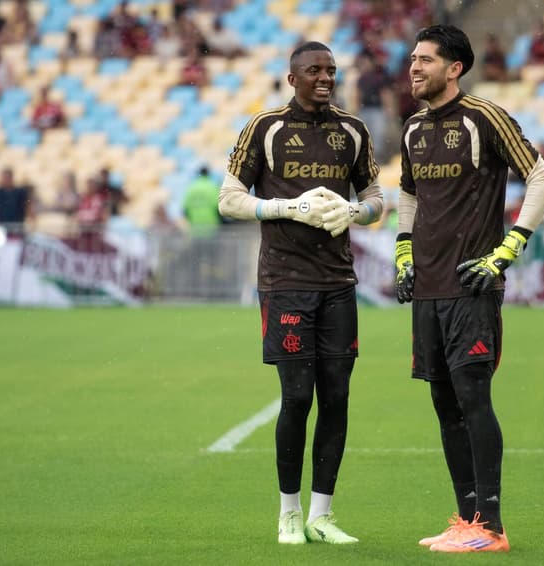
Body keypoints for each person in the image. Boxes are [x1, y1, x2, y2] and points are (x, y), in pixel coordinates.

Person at [394, 24, 544, 553]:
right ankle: (466, 522)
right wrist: (403, 253)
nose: (414, 67)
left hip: (471, 286)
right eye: (413, 59)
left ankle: (491, 526)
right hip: (428, 290)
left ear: (454, 68)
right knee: (445, 404)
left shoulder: (484, 118)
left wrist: (506, 251)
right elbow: (409, 195)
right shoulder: (414, 127)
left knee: (473, 399)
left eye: (425, 59)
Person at [218, 41, 383, 545]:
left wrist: (356, 213)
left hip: (338, 283)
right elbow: (229, 200)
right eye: (315, 70)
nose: (326, 77)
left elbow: (376, 198)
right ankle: (288, 513)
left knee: (337, 397)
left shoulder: (352, 131)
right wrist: (283, 209)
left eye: (331, 70)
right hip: (285, 283)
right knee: (297, 396)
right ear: (293, 79)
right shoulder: (265, 128)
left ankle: (321, 515)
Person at [0, 167, 33, 238]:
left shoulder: (20, 192)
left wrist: (30, 217)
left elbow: (27, 204)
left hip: (17, 224)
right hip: (2, 223)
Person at [182, 166, 221, 236]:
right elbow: (218, 208)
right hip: (211, 229)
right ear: (208, 174)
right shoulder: (212, 186)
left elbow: (185, 210)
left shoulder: (191, 188)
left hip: (195, 230)